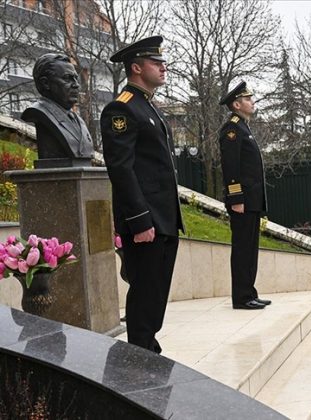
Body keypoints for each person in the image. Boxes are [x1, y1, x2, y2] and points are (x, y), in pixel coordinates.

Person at [100, 36, 184, 353]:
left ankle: (147, 346)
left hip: (163, 216)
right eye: (155, 62)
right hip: (146, 220)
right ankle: (140, 351)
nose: (163, 67)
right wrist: (139, 220)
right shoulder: (120, 109)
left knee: (157, 289)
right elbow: (121, 169)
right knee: (146, 288)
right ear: (136, 67)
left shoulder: (148, 107)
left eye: (162, 62)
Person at [218, 81, 271, 310]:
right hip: (242, 201)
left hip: (252, 200)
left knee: (250, 249)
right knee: (242, 249)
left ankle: (249, 292)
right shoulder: (232, 129)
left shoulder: (244, 127)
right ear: (237, 104)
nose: (253, 102)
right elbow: (231, 168)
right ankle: (241, 297)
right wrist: (236, 198)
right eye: (248, 99)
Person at [22, 53, 94, 160]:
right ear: (45, 83)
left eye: (75, 78)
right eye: (67, 78)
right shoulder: (40, 112)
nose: (76, 85)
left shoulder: (78, 121)